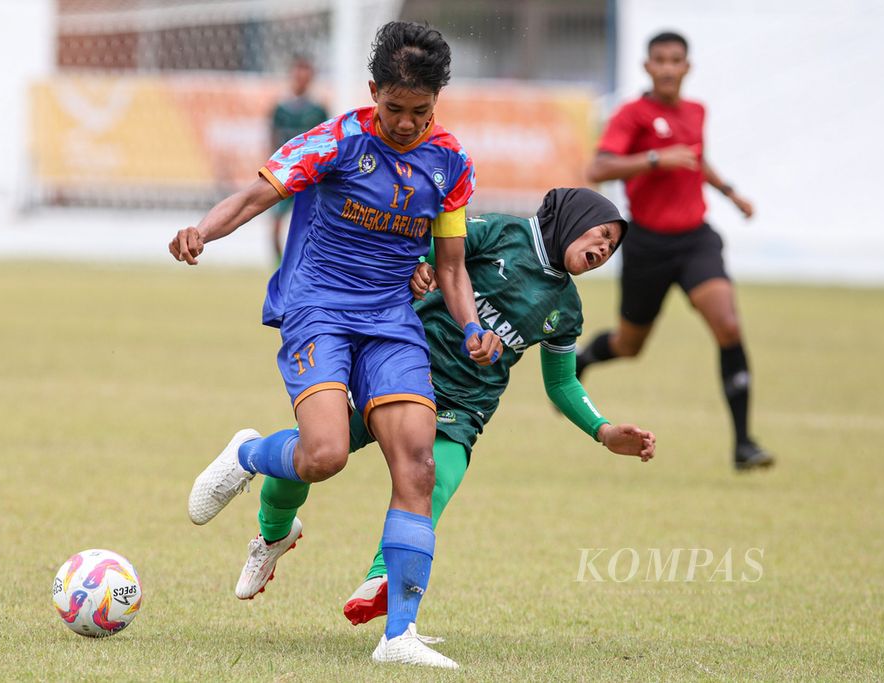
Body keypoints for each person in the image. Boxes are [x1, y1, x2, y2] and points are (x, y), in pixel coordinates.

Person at [170, 21, 501, 669]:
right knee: (324, 454)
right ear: (373, 91)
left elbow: (453, 266)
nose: (406, 124)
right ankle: (248, 454)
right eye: (395, 109)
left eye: (421, 112)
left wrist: (470, 327)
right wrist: (203, 231)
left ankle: (399, 634)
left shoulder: (451, 161)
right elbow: (257, 195)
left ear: (438, 102)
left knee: (418, 465)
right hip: (318, 309)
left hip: (391, 321)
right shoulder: (336, 140)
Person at [227, 188, 656, 628]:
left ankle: (383, 582)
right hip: (399, 370)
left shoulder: (566, 309)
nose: (605, 248)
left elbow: (562, 382)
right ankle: (272, 532)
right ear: (574, 218)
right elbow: (430, 248)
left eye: (612, 246)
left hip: (465, 405)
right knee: (312, 459)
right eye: (601, 234)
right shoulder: (503, 232)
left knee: (431, 484)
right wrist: (418, 269)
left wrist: (603, 431)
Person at [575, 31, 773, 471]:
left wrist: (730, 192)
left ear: (687, 67)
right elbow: (598, 167)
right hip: (647, 244)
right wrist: (653, 159)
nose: (667, 67)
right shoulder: (632, 115)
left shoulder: (696, 111)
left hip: (695, 240)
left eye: (675, 60)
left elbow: (696, 159)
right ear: (647, 67)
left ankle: (743, 444)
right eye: (659, 60)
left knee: (728, 324)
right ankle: (584, 358)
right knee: (630, 345)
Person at [268, 55, 328, 263]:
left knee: (309, 224)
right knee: (276, 222)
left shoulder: (318, 110)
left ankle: (305, 264)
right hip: (285, 173)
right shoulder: (280, 109)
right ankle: (279, 266)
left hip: (310, 176)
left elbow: (326, 143)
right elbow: (273, 138)